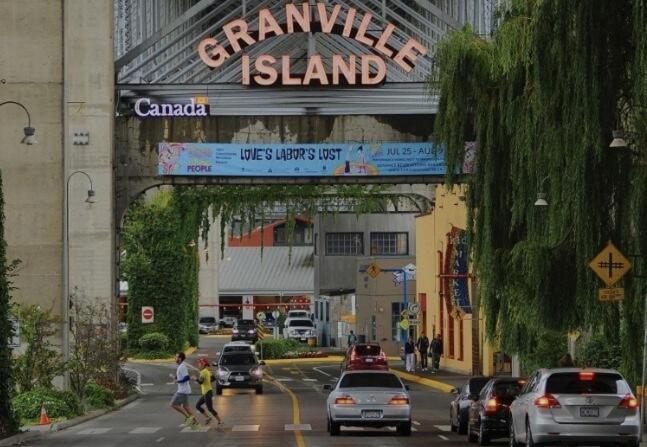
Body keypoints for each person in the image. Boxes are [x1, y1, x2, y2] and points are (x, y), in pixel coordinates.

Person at [169, 352, 199, 427]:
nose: (175, 358)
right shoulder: (180, 366)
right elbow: (182, 377)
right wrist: (175, 377)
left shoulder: (182, 367)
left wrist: (177, 381)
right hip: (184, 390)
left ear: (180, 358)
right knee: (186, 407)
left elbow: (186, 378)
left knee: (173, 404)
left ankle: (188, 418)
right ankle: (195, 422)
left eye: (176, 357)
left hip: (182, 391)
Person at [193, 358, 223, 428]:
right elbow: (213, 379)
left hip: (207, 393)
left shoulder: (203, 372)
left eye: (200, 363)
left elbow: (201, 382)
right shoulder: (207, 371)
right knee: (197, 406)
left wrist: (195, 378)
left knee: (210, 408)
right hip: (206, 392)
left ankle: (220, 420)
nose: (198, 364)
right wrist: (207, 380)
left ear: (203, 364)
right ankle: (208, 418)